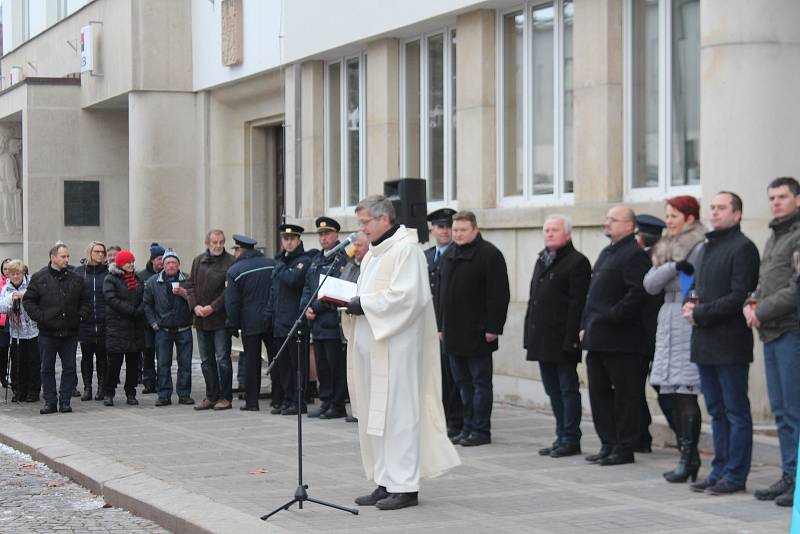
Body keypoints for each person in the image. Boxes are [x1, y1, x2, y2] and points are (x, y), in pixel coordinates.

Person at [344, 195, 460, 510]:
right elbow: (365, 293)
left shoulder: (407, 250)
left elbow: (409, 297)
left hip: (397, 349)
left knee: (399, 415)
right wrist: (346, 301)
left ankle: (405, 486)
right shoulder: (372, 255)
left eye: (365, 222)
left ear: (385, 219)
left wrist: (363, 304)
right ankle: (384, 481)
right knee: (374, 415)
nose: (361, 229)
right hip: (371, 346)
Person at [683, 191, 760, 495]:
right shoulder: (706, 248)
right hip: (704, 341)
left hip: (730, 344)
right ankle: (719, 469)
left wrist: (699, 312)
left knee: (735, 411)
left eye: (721, 208)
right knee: (715, 411)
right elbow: (699, 288)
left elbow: (739, 295)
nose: (714, 212)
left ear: (737, 214)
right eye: (712, 207)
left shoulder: (743, 248)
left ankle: (736, 474)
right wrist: (690, 305)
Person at [580, 206, 651, 466]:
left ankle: (624, 447)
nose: (607, 223)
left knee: (625, 396)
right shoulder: (607, 253)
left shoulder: (635, 255)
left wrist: (613, 315)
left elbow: (637, 294)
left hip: (622, 340)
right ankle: (607, 443)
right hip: (597, 337)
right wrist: (586, 322)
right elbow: (592, 294)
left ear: (629, 226)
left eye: (613, 220)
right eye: (607, 218)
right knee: (599, 394)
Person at [643, 196, 706, 482]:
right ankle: (686, 454)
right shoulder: (666, 245)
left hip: (686, 317)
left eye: (674, 216)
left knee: (685, 392)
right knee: (668, 389)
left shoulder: (698, 245)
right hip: (667, 318)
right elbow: (650, 284)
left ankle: (689, 456)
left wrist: (672, 271)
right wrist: (672, 267)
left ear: (690, 218)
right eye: (667, 215)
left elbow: (692, 279)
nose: (668, 221)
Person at [746, 178, 800, 507]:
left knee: (794, 412)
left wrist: (761, 310)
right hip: (771, 331)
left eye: (782, 197)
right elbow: (767, 281)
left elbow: (796, 289)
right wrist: (752, 302)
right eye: (772, 198)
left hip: (791, 331)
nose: (776, 203)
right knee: (780, 412)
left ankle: (797, 481)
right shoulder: (776, 235)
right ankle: (789, 475)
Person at [437, 211, 510, 447]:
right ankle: (467, 426)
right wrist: (440, 325)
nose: (457, 234)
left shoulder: (490, 255)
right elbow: (440, 294)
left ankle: (481, 430)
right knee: (461, 384)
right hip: (452, 333)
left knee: (480, 384)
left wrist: (493, 327)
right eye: (455, 230)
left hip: (478, 332)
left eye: (462, 230)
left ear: (475, 230)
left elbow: (499, 295)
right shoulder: (449, 254)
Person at [524, 215, 591, 458]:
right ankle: (560, 434)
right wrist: (528, 335)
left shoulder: (577, 262)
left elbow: (577, 305)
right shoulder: (542, 259)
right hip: (542, 338)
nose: (549, 234)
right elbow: (533, 300)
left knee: (567, 389)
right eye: (547, 230)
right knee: (552, 390)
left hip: (563, 339)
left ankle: (571, 437)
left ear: (568, 234)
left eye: (555, 230)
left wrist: (572, 339)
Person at [23, 243, 90, 414]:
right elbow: (29, 301)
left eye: (68, 256)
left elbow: (85, 301)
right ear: (53, 257)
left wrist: (79, 316)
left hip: (70, 332)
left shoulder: (76, 278)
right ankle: (50, 401)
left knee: (69, 368)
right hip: (48, 332)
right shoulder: (39, 278)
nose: (67, 259)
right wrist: (41, 317)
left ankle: (65, 401)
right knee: (47, 368)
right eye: (63, 256)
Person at [301, 217, 349, 419]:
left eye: (327, 234)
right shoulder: (317, 260)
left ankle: (337, 404)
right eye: (320, 235)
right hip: (317, 323)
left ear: (336, 235)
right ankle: (326, 401)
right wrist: (306, 307)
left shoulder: (341, 259)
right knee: (321, 365)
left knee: (335, 365)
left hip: (332, 321)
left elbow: (338, 289)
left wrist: (315, 307)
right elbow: (308, 288)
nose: (323, 238)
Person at [424, 208, 463, 439]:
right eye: (441, 227)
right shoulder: (427, 255)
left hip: (449, 325)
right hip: (430, 323)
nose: (445, 231)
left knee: (452, 376)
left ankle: (456, 419)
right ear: (432, 230)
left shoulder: (458, 254)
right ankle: (441, 417)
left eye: (449, 226)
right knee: (434, 375)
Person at [225, 234, 276, 411]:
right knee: (275, 359)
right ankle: (278, 398)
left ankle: (252, 402)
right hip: (272, 318)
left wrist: (233, 324)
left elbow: (232, 302)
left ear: (240, 250)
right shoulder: (272, 263)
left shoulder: (235, 270)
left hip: (250, 321)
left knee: (251, 362)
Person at [187, 230, 236, 411]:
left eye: (221, 242)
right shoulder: (198, 260)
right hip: (201, 319)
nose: (218, 246)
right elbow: (190, 286)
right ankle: (211, 395)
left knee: (222, 358)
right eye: (214, 242)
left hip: (220, 319)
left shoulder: (231, 262)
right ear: (207, 242)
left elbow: (229, 291)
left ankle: (225, 396)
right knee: (206, 360)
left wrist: (213, 307)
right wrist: (195, 307)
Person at [266, 223, 310, 416]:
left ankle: (299, 401)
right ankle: (286, 398)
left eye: (292, 239)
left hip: (295, 322)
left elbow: (294, 281)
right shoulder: (280, 262)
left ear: (299, 240)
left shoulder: (303, 261)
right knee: (284, 365)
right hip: (280, 322)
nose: (288, 242)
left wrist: (282, 266)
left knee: (297, 365)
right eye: (285, 239)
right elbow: (274, 292)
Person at [143, 248, 194, 407]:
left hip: (184, 328)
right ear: (163, 266)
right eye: (168, 263)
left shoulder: (187, 279)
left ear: (178, 265)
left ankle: (184, 394)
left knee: (185, 364)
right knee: (163, 364)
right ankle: (164, 395)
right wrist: (153, 323)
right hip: (163, 330)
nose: (171, 266)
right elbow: (147, 305)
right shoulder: (153, 282)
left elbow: (196, 300)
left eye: (174, 263)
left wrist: (185, 294)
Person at [102, 250, 145, 407]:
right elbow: (111, 299)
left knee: (133, 364)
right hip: (117, 328)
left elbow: (144, 296)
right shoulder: (111, 279)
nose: (131, 264)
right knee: (114, 363)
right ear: (120, 264)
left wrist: (140, 309)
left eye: (132, 261)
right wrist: (131, 310)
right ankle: (109, 392)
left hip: (134, 329)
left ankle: (131, 392)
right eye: (128, 262)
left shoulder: (137, 279)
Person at [74, 241, 109, 402]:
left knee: (102, 356)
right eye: (97, 251)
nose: (100, 254)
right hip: (86, 321)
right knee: (86, 356)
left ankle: (102, 387)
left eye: (102, 252)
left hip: (104, 320)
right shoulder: (79, 272)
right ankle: (87, 387)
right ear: (90, 252)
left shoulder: (108, 272)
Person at [0, 260, 39, 403]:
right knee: (18, 362)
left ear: (23, 273)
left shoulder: (31, 285)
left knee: (34, 362)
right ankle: (19, 390)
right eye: (12, 274)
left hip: (34, 331)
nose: (15, 277)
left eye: (18, 273)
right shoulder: (6, 288)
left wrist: (24, 296)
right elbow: (1, 306)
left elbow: (38, 300)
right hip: (16, 333)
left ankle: (33, 391)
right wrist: (12, 298)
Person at [137, 242, 165, 394]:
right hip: (146, 321)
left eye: (163, 258)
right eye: (159, 258)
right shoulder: (141, 276)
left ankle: (162, 381)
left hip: (162, 320)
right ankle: (148, 381)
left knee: (162, 353)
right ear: (153, 260)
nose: (162, 261)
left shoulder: (167, 274)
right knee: (148, 351)